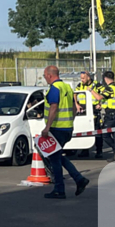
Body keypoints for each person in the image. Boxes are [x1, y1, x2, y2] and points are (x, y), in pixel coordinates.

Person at [40, 65, 89, 199]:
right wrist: (71, 121)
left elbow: (54, 107)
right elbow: (74, 106)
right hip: (67, 127)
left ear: (50, 75)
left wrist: (47, 127)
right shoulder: (67, 87)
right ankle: (78, 179)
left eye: (45, 76)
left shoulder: (55, 88)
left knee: (55, 159)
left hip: (57, 128)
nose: (45, 79)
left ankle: (59, 189)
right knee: (58, 156)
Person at [95, 70, 115, 161]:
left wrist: (91, 90)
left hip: (112, 115)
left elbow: (99, 97)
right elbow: (110, 100)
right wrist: (101, 105)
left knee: (105, 134)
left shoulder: (109, 88)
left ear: (105, 79)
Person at [75, 72, 102, 159]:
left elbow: (103, 95)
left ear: (88, 77)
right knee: (84, 130)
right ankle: (85, 150)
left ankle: (99, 151)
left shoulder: (97, 85)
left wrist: (100, 104)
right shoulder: (80, 85)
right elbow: (74, 93)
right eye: (81, 78)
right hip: (83, 109)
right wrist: (76, 104)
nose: (81, 80)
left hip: (94, 110)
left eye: (83, 78)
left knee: (97, 132)